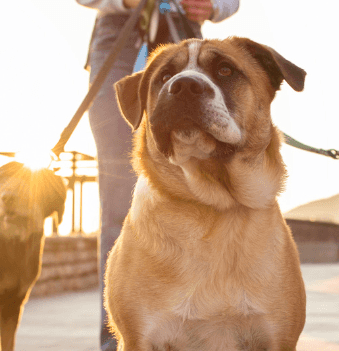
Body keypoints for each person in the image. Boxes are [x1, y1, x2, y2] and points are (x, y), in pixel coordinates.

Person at [74, 0, 239, 349]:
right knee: (119, 203)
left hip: (185, 41)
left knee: (199, 196)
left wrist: (214, 6)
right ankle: (117, 340)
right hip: (119, 41)